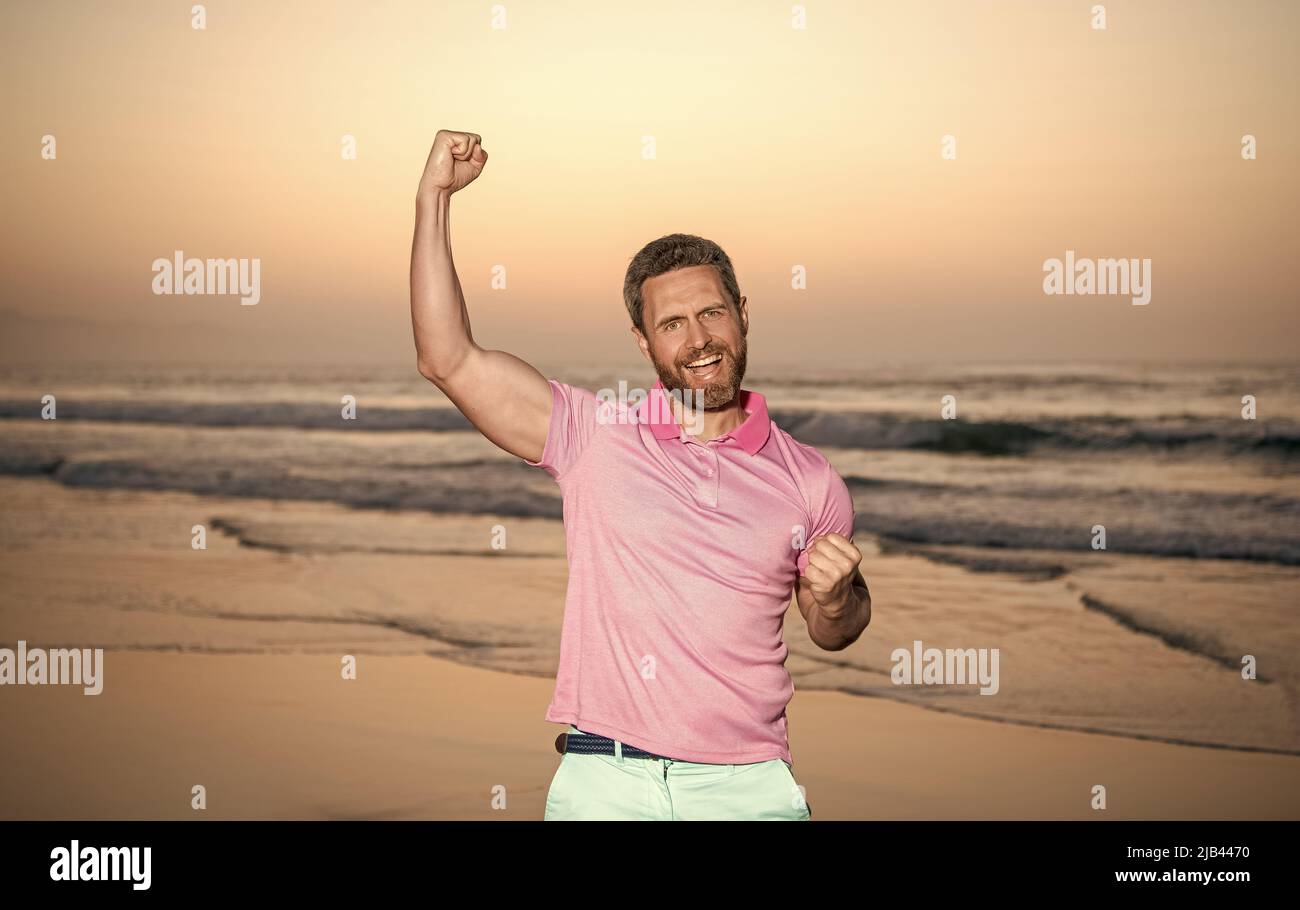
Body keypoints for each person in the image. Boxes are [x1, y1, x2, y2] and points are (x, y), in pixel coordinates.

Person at [410, 130, 872, 820]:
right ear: (644, 341)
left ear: (742, 316)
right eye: (673, 324)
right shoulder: (594, 435)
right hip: (606, 781)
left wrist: (837, 598)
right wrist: (433, 199)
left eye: (713, 313)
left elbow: (834, 628)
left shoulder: (809, 479)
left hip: (749, 788)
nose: (699, 342)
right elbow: (447, 359)